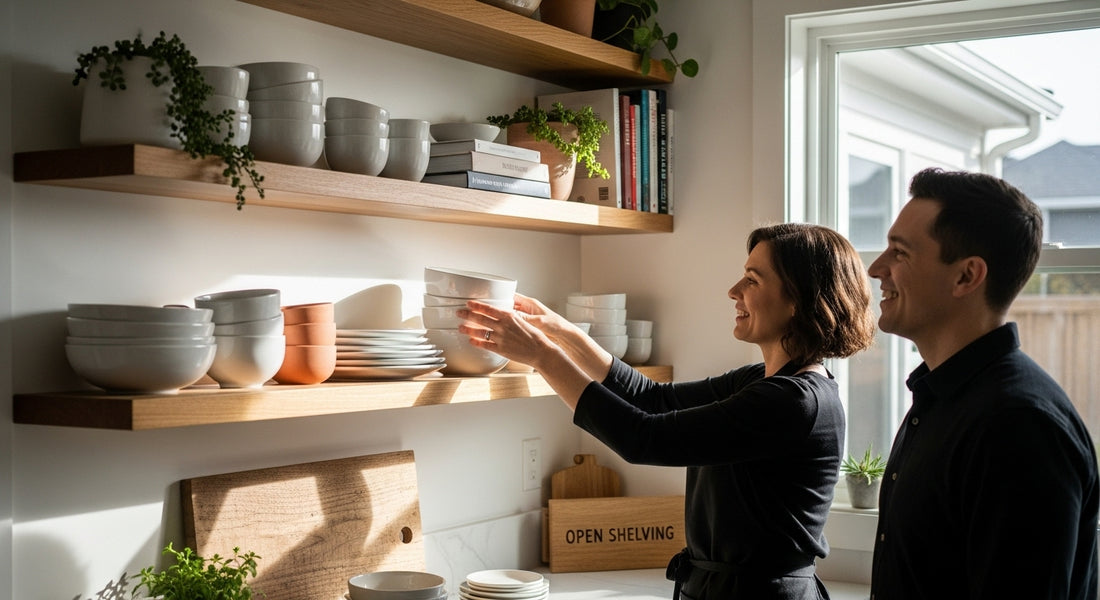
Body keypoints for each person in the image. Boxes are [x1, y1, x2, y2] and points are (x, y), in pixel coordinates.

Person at [458, 223, 877, 600]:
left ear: (798, 301)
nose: (733, 291)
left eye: (752, 279)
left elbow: (644, 437)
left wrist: (543, 356)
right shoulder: (762, 382)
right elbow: (653, 399)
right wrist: (562, 332)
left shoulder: (795, 401)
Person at [866, 167, 1099, 598]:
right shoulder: (940, 398)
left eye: (900, 253)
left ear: (966, 276)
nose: (877, 268)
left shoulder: (1018, 427)